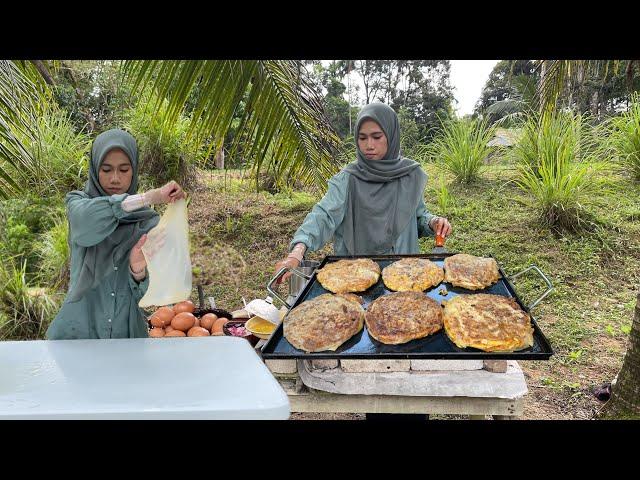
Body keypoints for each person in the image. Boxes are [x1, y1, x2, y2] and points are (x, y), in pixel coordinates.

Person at [273, 102, 452, 421]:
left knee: (411, 356)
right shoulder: (349, 178)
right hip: (356, 284)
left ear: (392, 137)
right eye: (363, 138)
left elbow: (418, 215)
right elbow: (323, 215)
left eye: (377, 137)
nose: (369, 145)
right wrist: (297, 251)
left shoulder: (409, 175)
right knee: (376, 363)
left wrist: (434, 222)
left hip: (408, 280)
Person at [46, 129, 186, 340]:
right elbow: (86, 224)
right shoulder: (78, 204)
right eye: (106, 169)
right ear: (95, 169)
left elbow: (149, 295)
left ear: (134, 170)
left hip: (127, 337)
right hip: (78, 333)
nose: (115, 178)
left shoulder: (147, 222)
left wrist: (137, 269)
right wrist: (151, 196)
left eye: (124, 169)